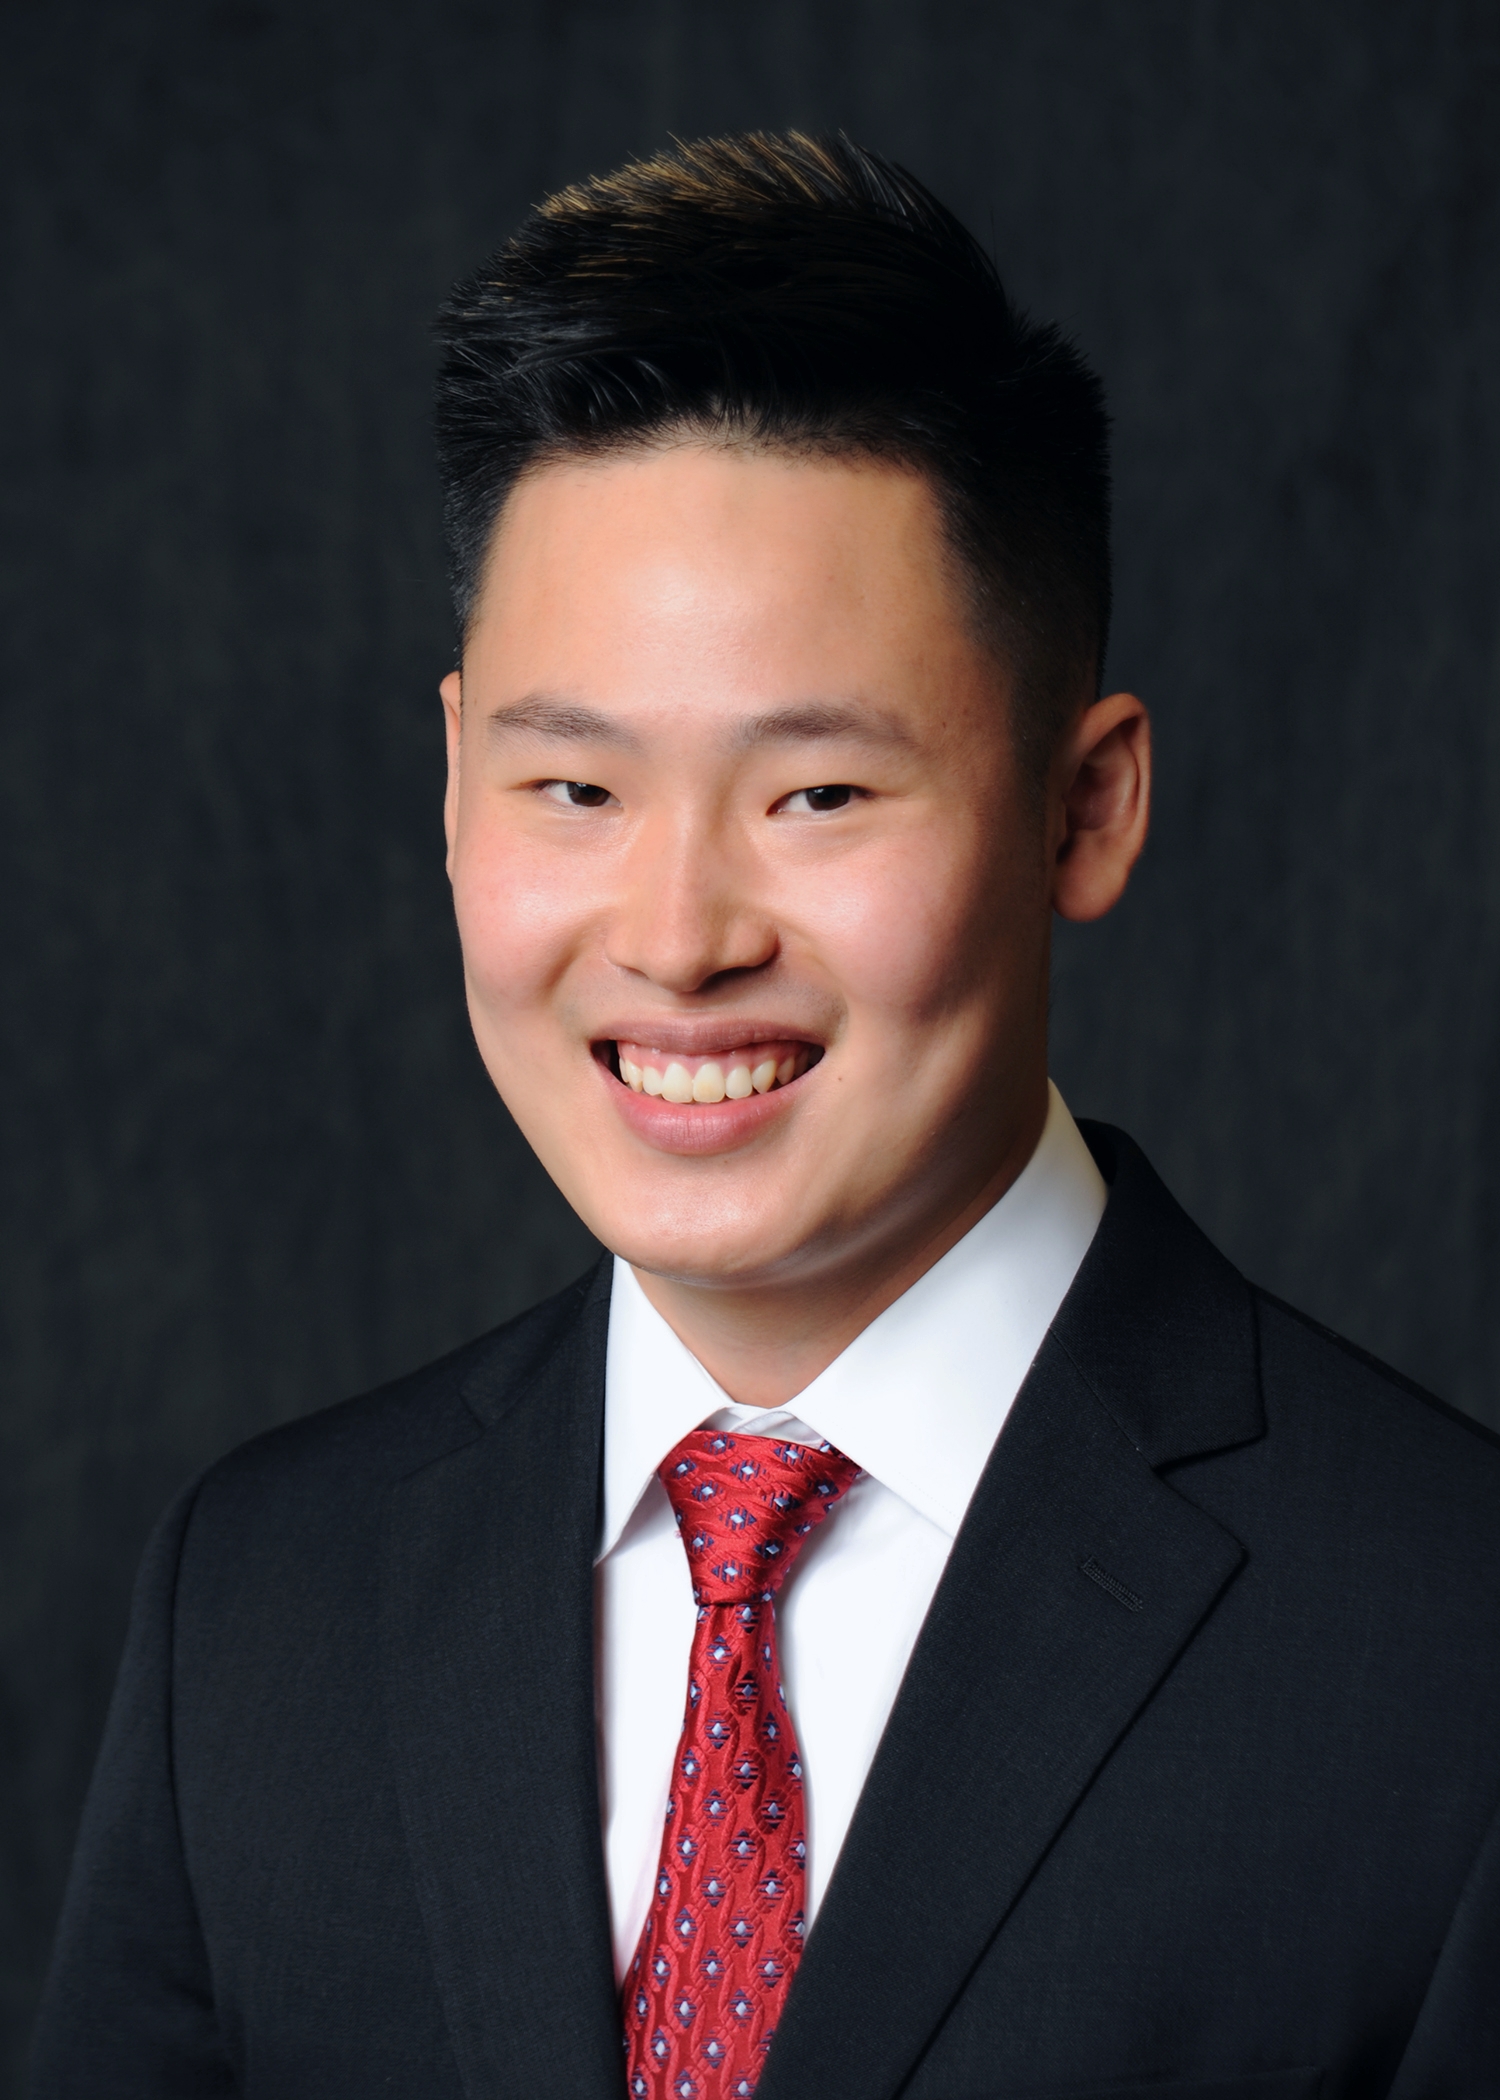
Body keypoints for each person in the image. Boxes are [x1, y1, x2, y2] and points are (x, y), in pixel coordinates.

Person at [31, 131, 1500, 2100]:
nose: (678, 937)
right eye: (575, 791)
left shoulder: (1450, 1644)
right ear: (455, 783)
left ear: (1086, 808)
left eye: (818, 795)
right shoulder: (262, 1598)